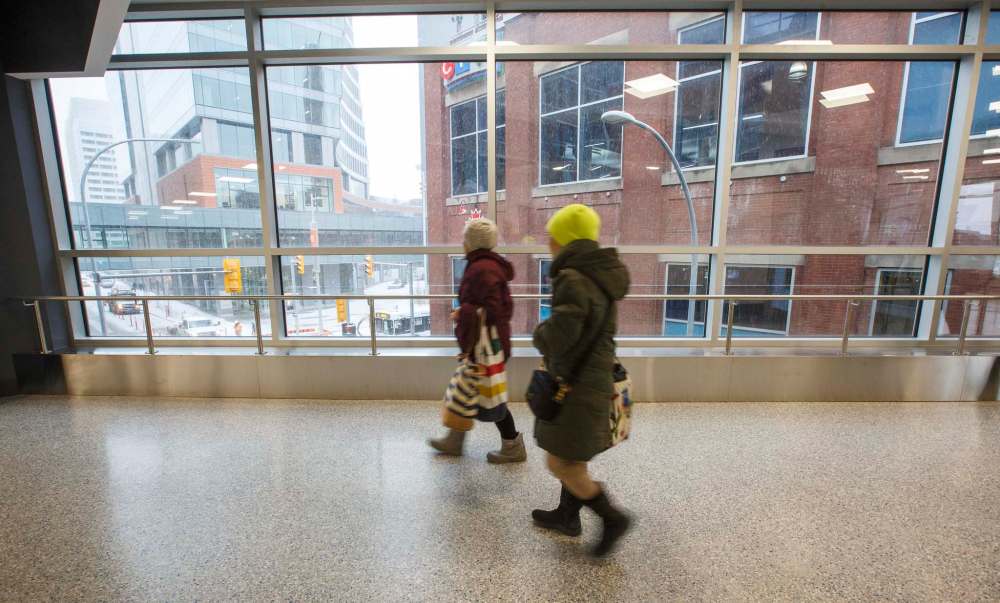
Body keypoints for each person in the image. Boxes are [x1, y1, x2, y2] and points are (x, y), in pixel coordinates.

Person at [530, 203, 632, 557]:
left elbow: (562, 332)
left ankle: (612, 517)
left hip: (579, 385)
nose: (548, 242)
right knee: (572, 456)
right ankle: (566, 515)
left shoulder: (573, 277)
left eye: (552, 235)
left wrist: (539, 332)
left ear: (564, 240)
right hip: (593, 377)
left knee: (560, 462)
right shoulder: (598, 275)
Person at [428, 218, 526, 463]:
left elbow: (491, 310)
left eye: (465, 239)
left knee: (490, 396)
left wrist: (464, 313)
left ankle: (512, 445)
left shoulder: (479, 269)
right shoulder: (491, 266)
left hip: (484, 347)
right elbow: (502, 309)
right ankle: (455, 439)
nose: (462, 243)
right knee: (467, 389)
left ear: (471, 243)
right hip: (491, 343)